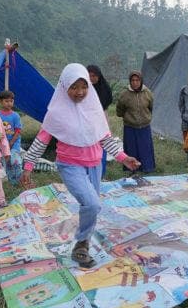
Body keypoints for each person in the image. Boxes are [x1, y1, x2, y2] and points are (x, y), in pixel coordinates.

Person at [20, 63, 140, 268]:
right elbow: (42, 140)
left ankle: (83, 243)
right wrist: (28, 167)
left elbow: (104, 138)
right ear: (64, 86)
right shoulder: (57, 112)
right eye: (74, 87)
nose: (79, 92)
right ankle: (81, 244)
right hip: (69, 165)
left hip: (94, 164)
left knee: (91, 207)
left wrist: (123, 157)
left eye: (83, 87)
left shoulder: (94, 109)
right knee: (93, 204)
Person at [116, 71, 155, 174]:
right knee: (131, 149)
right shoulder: (125, 94)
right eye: (133, 80)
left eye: (137, 80)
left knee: (145, 148)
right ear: (130, 81)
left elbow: (150, 107)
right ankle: (132, 169)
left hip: (144, 126)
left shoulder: (147, 93)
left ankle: (147, 168)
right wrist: (129, 117)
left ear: (141, 81)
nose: (135, 83)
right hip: (130, 127)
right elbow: (120, 110)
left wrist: (145, 117)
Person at [87, 65, 113, 178]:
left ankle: (100, 173)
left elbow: (107, 101)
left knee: (102, 144)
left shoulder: (104, 88)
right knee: (89, 145)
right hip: (87, 120)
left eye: (94, 75)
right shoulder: (84, 88)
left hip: (101, 118)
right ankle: (88, 172)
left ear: (99, 76)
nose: (91, 78)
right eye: (89, 75)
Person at [0, 90, 23, 185]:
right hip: (1, 145)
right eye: (6, 101)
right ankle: (12, 182)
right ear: (0, 101)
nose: (9, 103)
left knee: (15, 161)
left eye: (11, 101)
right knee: (6, 162)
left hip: (14, 143)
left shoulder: (15, 116)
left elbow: (18, 131)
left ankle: (20, 180)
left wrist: (11, 142)